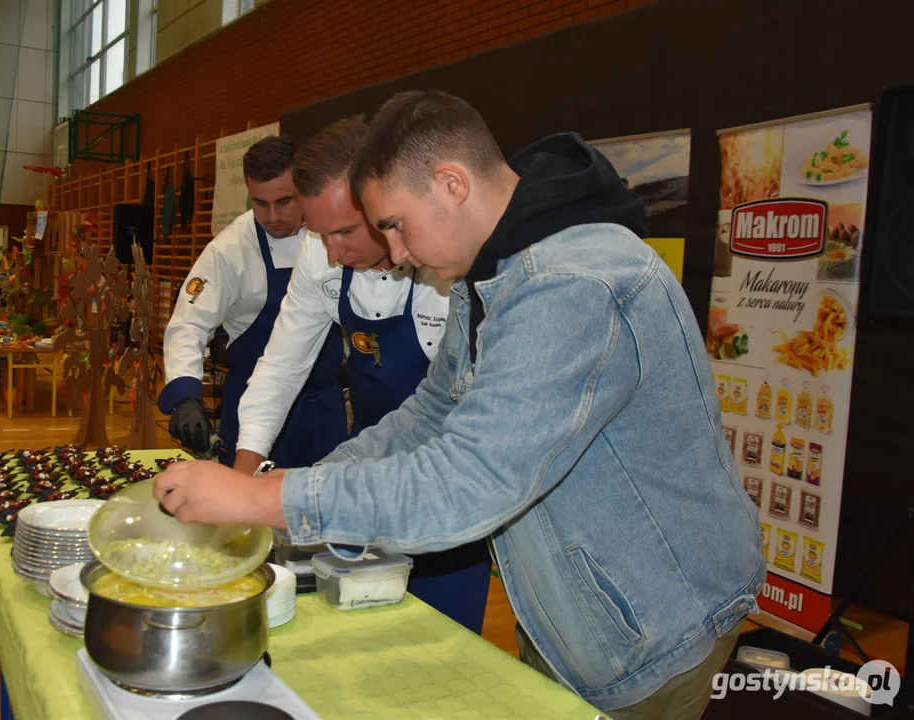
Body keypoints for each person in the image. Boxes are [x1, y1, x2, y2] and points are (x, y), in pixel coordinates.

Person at [153, 91, 764, 718]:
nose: (394, 253)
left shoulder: (573, 286)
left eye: (393, 224)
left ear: (451, 184)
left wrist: (264, 499)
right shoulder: (492, 274)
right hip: (574, 608)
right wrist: (295, 480)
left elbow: (470, 480)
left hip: (655, 632)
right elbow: (430, 415)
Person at [231, 116, 492, 635]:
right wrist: (242, 481)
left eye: (348, 231)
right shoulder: (321, 251)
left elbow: (446, 415)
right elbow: (282, 364)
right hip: (370, 462)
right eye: (318, 233)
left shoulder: (447, 270)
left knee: (440, 644)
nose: (331, 252)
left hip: (447, 488)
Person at [158, 136, 347, 468]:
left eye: (285, 201)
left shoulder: (334, 235)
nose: (272, 216)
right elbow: (189, 322)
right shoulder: (230, 248)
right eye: (260, 203)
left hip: (323, 410)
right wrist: (186, 394)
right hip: (251, 409)